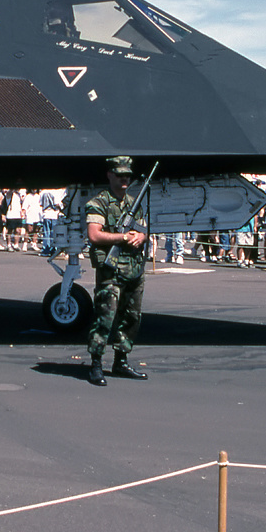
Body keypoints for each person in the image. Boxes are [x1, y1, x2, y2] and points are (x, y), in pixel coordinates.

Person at [83, 156, 149, 386]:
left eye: (127, 175)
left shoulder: (133, 202)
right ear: (109, 175)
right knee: (105, 318)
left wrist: (141, 236)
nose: (124, 179)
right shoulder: (98, 203)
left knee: (132, 317)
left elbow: (142, 228)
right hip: (111, 271)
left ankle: (120, 362)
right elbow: (94, 234)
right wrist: (122, 237)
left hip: (133, 268)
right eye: (119, 174)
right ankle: (96, 365)